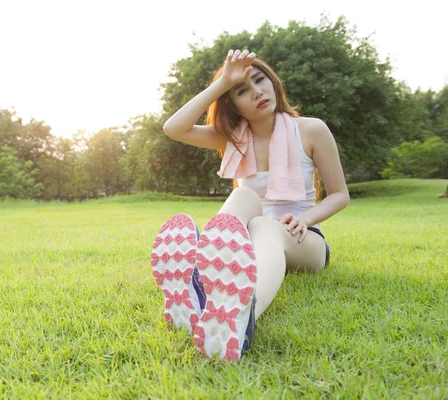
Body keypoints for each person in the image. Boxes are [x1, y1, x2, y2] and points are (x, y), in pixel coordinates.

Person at [150, 49, 350, 361]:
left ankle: (240, 322)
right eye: (242, 90)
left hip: (304, 239)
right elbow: (173, 129)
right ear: (234, 105)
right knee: (244, 196)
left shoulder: (310, 129)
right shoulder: (233, 138)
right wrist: (222, 83)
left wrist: (305, 218)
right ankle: (200, 290)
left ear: (273, 82)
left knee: (262, 225)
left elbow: (340, 194)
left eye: (260, 81)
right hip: (254, 243)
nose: (256, 92)